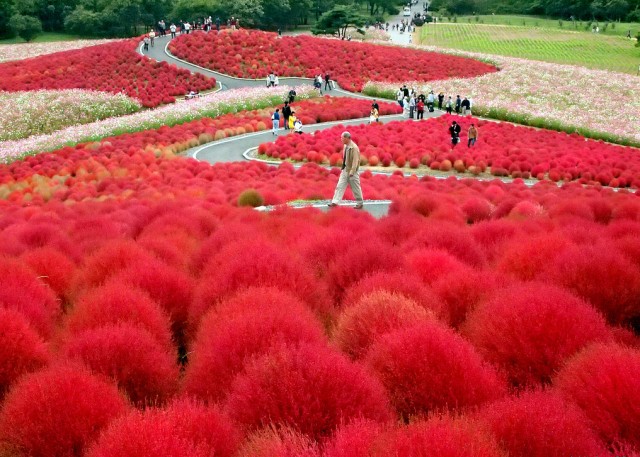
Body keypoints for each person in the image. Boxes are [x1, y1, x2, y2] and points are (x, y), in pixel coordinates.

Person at [328, 131, 364, 209]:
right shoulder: (345, 146)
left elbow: (356, 161)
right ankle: (335, 202)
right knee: (340, 186)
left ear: (348, 138)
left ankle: (360, 203)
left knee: (356, 188)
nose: (341, 139)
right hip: (345, 170)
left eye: (342, 138)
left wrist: (352, 172)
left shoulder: (354, 148)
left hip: (352, 172)